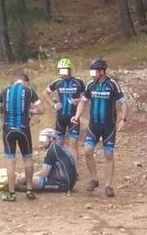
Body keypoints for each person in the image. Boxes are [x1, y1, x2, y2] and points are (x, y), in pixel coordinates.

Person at [71, 58, 128, 198]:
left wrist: (123, 120)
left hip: (109, 126)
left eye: (94, 70)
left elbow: (124, 103)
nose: (91, 73)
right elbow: (83, 102)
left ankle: (108, 185)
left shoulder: (112, 84)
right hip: (94, 125)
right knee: (88, 151)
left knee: (108, 155)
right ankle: (94, 179)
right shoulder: (90, 85)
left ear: (102, 71)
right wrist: (77, 116)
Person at [0, 73, 43, 201]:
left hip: (8, 130)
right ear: (26, 82)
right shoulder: (29, 90)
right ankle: (29, 190)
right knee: (27, 158)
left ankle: (11, 193)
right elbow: (41, 109)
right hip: (24, 129)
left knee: (10, 160)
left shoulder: (4, 90)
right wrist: (30, 111)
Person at [45, 58, 86, 161]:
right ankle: (60, 167)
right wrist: (53, 105)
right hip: (61, 117)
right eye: (60, 70)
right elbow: (45, 93)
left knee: (73, 144)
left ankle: (74, 170)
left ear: (70, 69)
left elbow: (86, 97)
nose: (62, 72)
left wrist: (79, 100)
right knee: (59, 144)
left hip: (74, 117)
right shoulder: (57, 82)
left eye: (64, 69)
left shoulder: (79, 82)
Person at [18, 128, 78, 193]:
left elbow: (44, 173)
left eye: (43, 138)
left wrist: (27, 176)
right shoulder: (57, 147)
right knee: (26, 177)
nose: (41, 141)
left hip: (63, 184)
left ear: (51, 138)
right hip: (67, 182)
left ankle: (17, 187)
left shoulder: (51, 151)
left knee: (28, 180)